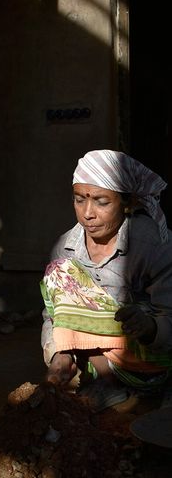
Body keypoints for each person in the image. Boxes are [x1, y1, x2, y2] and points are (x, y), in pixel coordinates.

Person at [40, 149, 172, 410]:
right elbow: (51, 315)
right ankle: (109, 383)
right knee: (60, 273)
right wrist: (59, 352)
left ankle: (149, 387)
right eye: (79, 200)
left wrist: (148, 327)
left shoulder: (152, 244)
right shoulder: (66, 246)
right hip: (96, 359)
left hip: (148, 357)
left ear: (126, 203)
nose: (88, 213)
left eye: (101, 201)